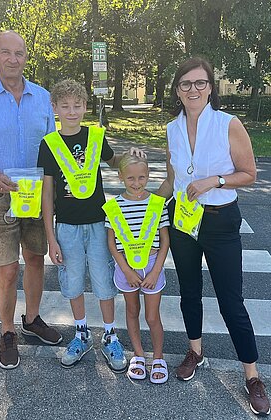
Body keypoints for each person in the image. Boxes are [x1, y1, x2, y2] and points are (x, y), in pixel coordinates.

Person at [157, 57, 271, 415]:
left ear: (211, 87)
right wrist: (139, 204)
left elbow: (249, 173)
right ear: (177, 90)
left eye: (200, 83)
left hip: (220, 221)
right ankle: (196, 351)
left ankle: (251, 376)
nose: (193, 89)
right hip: (183, 221)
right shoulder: (172, 128)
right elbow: (171, 180)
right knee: (189, 292)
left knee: (230, 301)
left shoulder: (228, 124)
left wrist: (215, 180)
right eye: (185, 84)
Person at [0, 30, 62, 370]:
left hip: (35, 195)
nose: (13, 59)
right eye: (6, 52)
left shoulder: (43, 98)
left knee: (35, 259)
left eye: (19, 53)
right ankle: (7, 332)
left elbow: (53, 150)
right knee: (7, 270)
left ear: (25, 56)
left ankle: (31, 319)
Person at [37, 79, 145, 372]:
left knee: (103, 280)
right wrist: (51, 237)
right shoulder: (49, 145)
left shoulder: (95, 138)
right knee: (72, 282)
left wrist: (132, 156)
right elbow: (47, 194)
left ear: (85, 106)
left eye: (77, 105)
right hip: (67, 226)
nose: (71, 111)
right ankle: (82, 334)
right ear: (55, 108)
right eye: (65, 106)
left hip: (98, 223)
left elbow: (115, 163)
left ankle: (109, 335)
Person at [103, 154, 170, 384]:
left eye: (142, 177)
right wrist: (127, 270)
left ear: (148, 176)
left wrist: (155, 271)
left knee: (152, 316)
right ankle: (139, 355)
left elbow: (164, 241)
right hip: (126, 268)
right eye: (130, 178)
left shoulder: (157, 204)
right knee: (132, 311)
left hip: (152, 266)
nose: (136, 182)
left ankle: (158, 357)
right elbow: (111, 243)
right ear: (120, 177)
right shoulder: (113, 206)